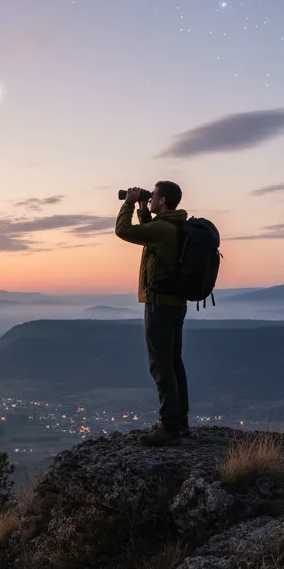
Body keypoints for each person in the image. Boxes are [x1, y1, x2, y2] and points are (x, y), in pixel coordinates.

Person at [115, 182, 191, 446]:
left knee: (160, 365)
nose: (150, 199)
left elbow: (123, 231)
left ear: (164, 201)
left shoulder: (163, 228)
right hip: (175, 304)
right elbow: (150, 235)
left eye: (153, 196)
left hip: (159, 305)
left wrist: (127, 203)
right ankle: (180, 423)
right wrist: (141, 208)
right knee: (174, 362)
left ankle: (168, 427)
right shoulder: (175, 225)